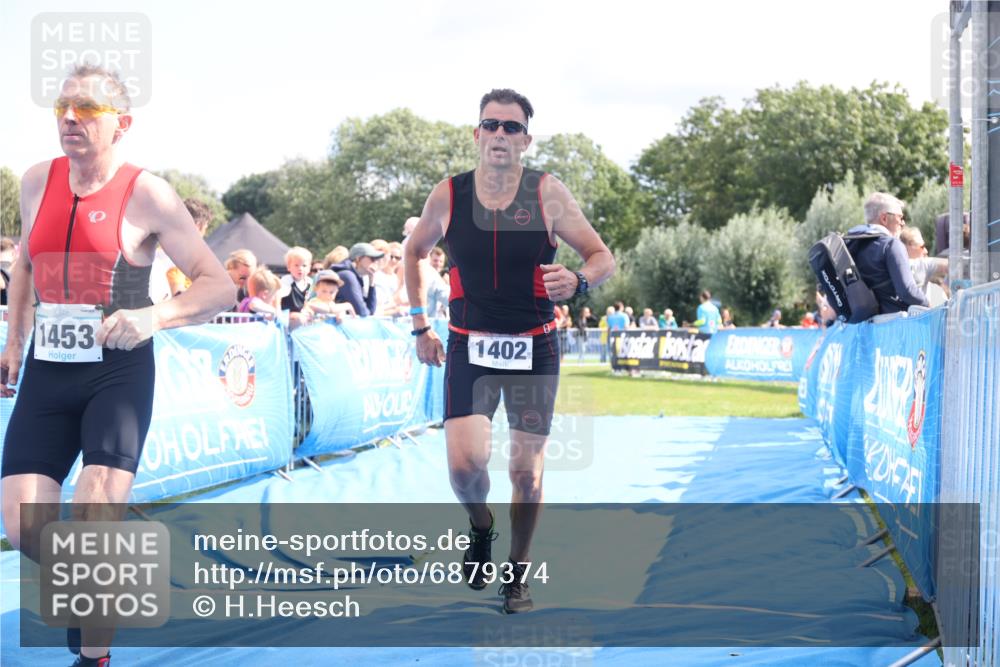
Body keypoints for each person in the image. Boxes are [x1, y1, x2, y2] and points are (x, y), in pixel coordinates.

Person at [0, 64, 234, 667]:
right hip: (48, 370)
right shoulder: (34, 181)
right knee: (23, 526)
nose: (70, 117)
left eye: (87, 108)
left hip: (118, 370)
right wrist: (15, 340)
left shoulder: (147, 192)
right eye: (62, 106)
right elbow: (24, 265)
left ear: (121, 123)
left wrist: (154, 317)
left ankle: (94, 657)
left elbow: (218, 288)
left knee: (96, 509)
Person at [405, 88, 614, 613]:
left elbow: (601, 256)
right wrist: (419, 327)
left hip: (535, 347)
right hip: (468, 347)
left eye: (511, 127)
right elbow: (413, 252)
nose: (500, 135)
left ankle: (517, 575)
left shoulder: (548, 194)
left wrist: (580, 281)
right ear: (477, 135)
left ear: (526, 140)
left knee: (527, 472)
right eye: (491, 126)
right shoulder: (448, 194)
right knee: (465, 468)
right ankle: (481, 524)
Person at [845, 193, 928, 314]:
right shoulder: (891, 245)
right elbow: (907, 291)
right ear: (884, 218)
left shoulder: (852, 245)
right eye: (899, 217)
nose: (902, 223)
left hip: (864, 326)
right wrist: (928, 305)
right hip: (893, 324)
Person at [331, 242, 383, 317]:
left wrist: (371, 283)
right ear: (358, 258)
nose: (375, 262)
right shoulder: (347, 276)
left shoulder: (353, 275)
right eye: (372, 259)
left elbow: (370, 311)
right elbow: (363, 313)